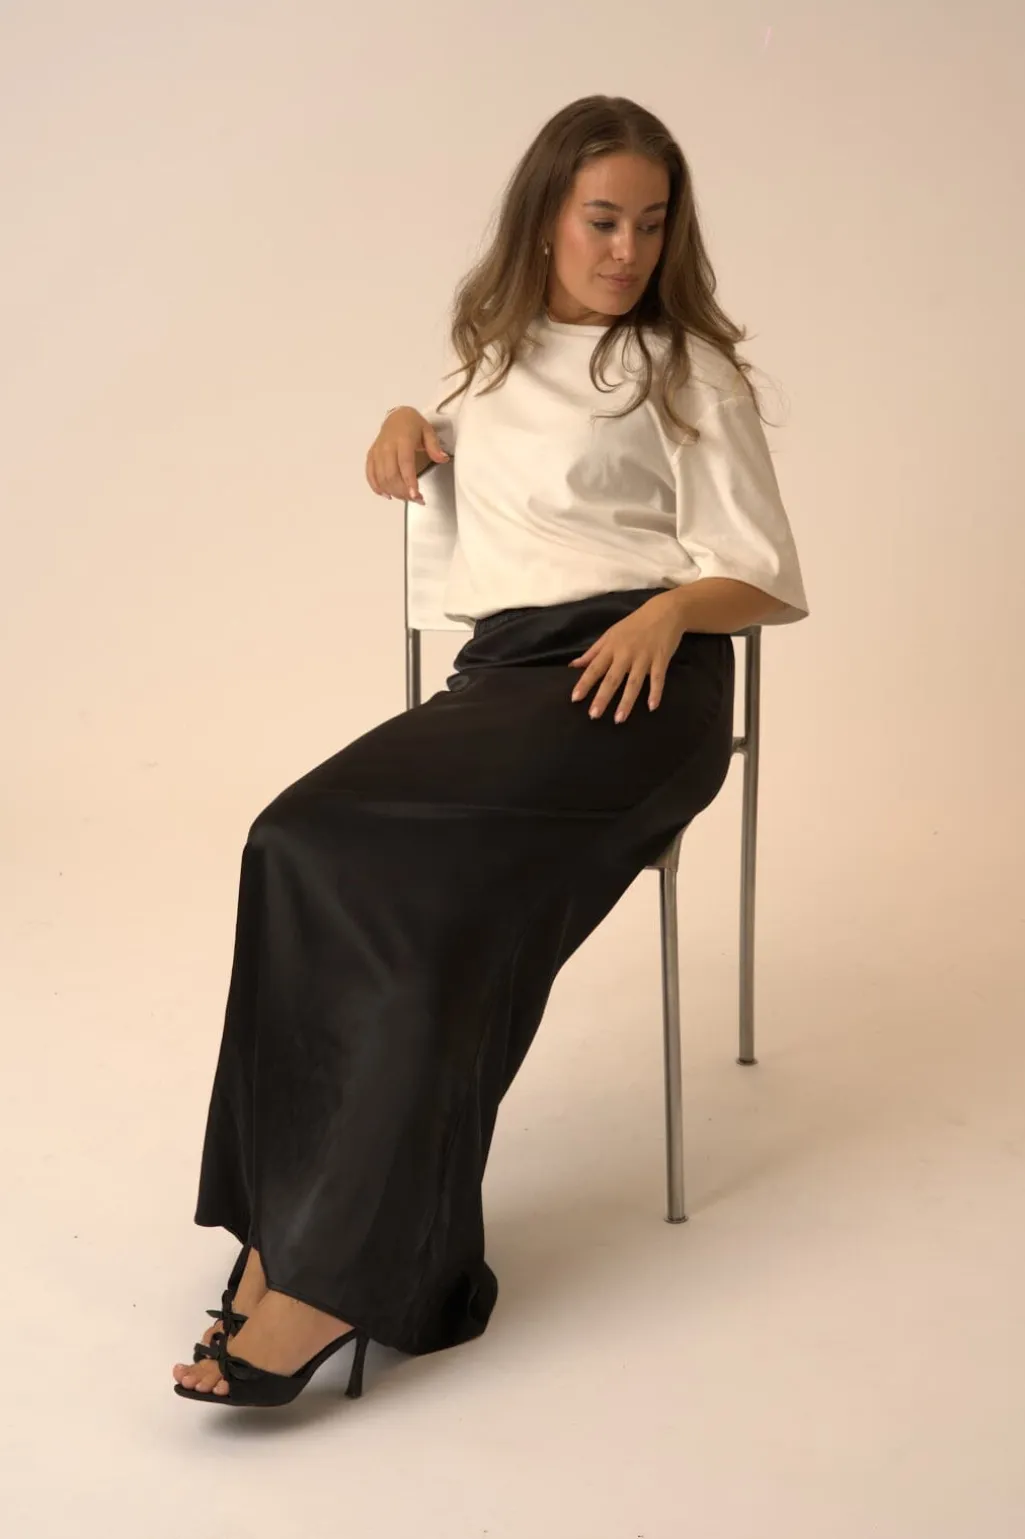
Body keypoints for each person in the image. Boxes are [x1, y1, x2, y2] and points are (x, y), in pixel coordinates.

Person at [172, 94, 809, 1410]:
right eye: (601, 220)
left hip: (642, 679)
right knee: (294, 842)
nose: (626, 250)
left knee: (423, 902)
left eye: (650, 224)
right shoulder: (490, 364)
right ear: (544, 219)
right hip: (503, 681)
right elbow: (468, 478)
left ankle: (341, 1275)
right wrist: (408, 416)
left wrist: (669, 611)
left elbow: (764, 573)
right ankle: (290, 1231)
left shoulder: (685, 369)